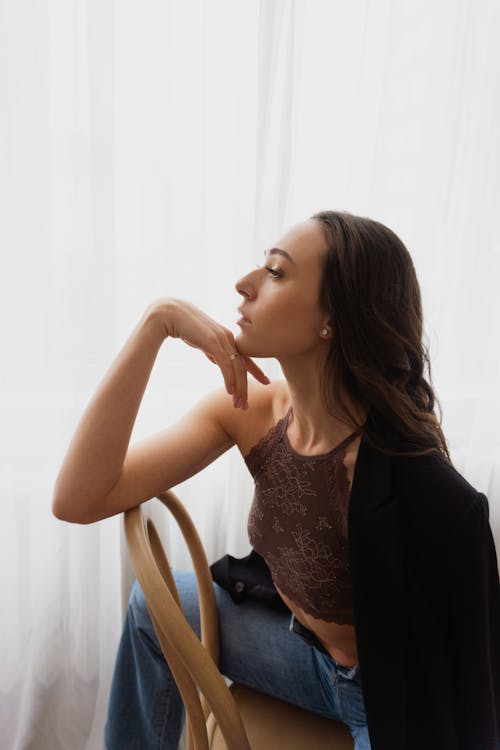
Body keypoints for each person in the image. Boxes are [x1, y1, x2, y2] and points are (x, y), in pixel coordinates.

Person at [52, 211, 500, 750]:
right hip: (299, 648)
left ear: (331, 318)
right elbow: (79, 497)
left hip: (383, 696)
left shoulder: (420, 487)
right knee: (154, 609)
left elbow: (471, 673)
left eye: (276, 272)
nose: (244, 284)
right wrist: (157, 322)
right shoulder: (252, 412)